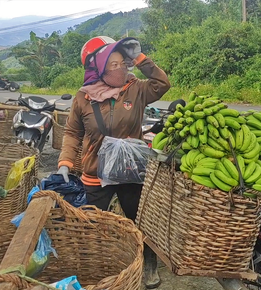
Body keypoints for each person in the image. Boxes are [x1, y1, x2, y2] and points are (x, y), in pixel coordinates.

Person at [56, 36, 171, 289]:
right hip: (95, 171)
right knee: (93, 221)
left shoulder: (136, 88)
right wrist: (65, 160)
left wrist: (141, 58)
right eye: (114, 65)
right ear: (98, 69)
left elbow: (162, 83)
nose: (121, 70)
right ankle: (100, 262)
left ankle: (147, 261)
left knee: (139, 218)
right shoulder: (83, 97)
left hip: (130, 169)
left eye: (123, 64)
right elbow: (73, 133)